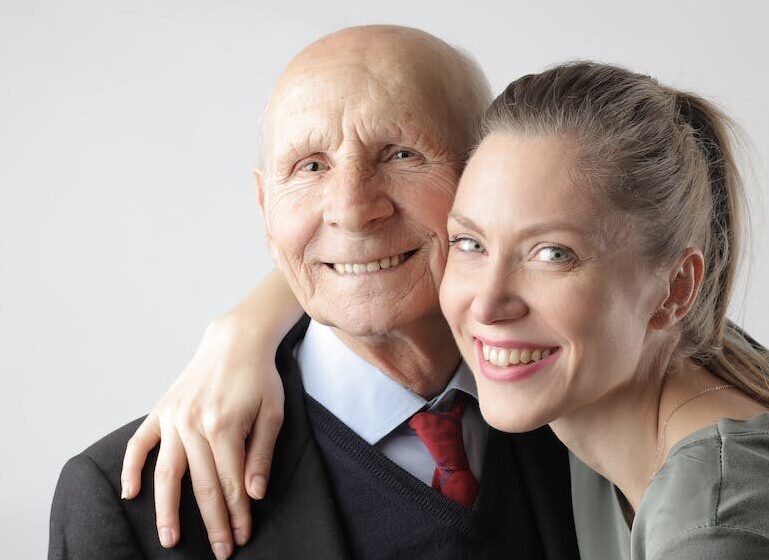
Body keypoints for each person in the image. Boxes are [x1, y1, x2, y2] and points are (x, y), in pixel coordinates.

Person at [124, 62, 769, 558]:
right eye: (469, 242)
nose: (488, 301)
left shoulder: (713, 517)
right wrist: (239, 331)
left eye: (552, 253)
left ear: (675, 290)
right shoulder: (649, 362)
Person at [49, 25, 582, 560]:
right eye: (310, 166)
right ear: (265, 208)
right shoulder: (127, 504)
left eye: (400, 154)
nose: (352, 208)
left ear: (485, 180)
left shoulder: (588, 407)